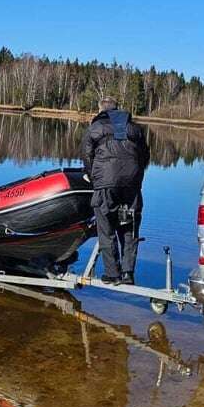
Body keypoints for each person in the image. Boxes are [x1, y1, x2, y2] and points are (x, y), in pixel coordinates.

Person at [81, 97, 150, 284]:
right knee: (129, 226)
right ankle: (128, 273)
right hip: (132, 183)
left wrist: (93, 177)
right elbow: (145, 157)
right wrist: (136, 176)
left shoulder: (95, 128)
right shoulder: (135, 129)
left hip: (105, 182)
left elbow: (87, 156)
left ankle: (113, 274)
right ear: (117, 109)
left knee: (106, 228)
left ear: (100, 110)